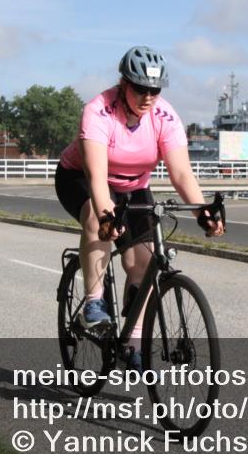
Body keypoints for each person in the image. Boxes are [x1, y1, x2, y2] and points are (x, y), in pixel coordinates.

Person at [55, 46, 224, 365]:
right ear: (123, 83)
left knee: (145, 264)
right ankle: (93, 304)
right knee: (96, 216)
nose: (148, 97)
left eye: (155, 90)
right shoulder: (99, 110)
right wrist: (107, 216)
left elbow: (182, 173)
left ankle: (132, 344)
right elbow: (96, 176)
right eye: (140, 89)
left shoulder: (165, 117)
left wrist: (204, 211)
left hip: (133, 187)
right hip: (81, 178)